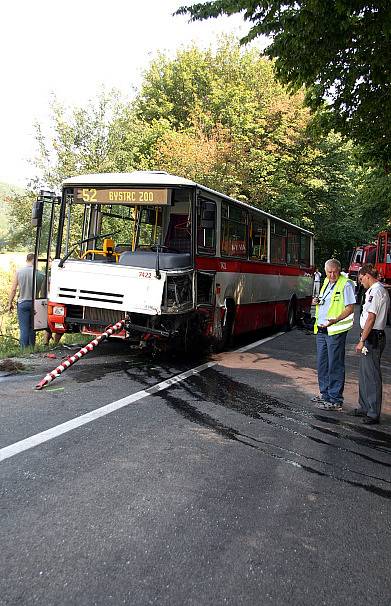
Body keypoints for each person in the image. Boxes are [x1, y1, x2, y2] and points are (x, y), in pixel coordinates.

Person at [311, 258, 356, 411]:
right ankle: (325, 395)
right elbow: (326, 302)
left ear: (339, 269)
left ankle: (335, 399)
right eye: (329, 272)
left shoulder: (346, 283)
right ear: (325, 271)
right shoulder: (326, 282)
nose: (332, 275)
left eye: (334, 272)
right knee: (322, 364)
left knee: (335, 365)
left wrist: (335, 320)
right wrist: (317, 301)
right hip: (322, 329)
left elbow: (350, 308)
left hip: (335, 330)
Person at [353, 264, 390, 424]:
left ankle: (373, 412)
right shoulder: (373, 290)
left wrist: (362, 340)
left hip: (373, 336)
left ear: (367, 275)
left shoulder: (377, 291)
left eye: (361, 279)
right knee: (364, 373)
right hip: (369, 335)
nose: (361, 283)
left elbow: (371, 318)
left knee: (372, 375)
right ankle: (365, 406)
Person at [7, 253, 44, 348]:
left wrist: (9, 303)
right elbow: (43, 291)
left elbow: (13, 289)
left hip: (23, 303)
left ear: (27, 260)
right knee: (32, 328)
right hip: (35, 303)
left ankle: (23, 350)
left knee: (24, 328)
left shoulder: (19, 272)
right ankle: (32, 348)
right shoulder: (40, 274)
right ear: (34, 260)